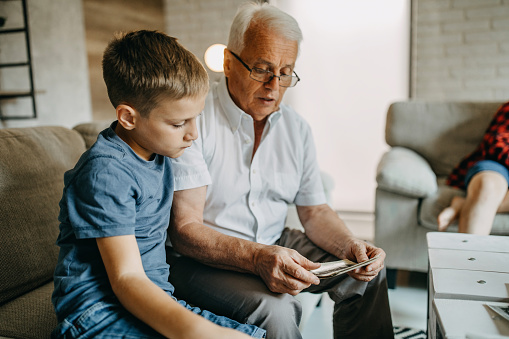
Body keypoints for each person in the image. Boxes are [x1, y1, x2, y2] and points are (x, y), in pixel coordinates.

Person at [167, 3, 394, 338]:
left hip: (274, 240)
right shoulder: (195, 120)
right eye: (262, 69)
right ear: (229, 63)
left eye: (286, 72)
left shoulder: (296, 128)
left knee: (366, 271)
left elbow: (314, 211)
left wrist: (349, 244)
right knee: (277, 309)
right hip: (204, 260)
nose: (274, 86)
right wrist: (258, 256)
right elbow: (185, 229)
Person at [51, 30, 265, 339]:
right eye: (179, 124)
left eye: (196, 119)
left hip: (153, 300)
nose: (193, 134)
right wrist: (195, 331)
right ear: (128, 117)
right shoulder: (106, 172)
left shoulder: (161, 149)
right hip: (96, 313)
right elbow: (126, 278)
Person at [438, 101, 509, 235]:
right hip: (498, 163)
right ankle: (468, 256)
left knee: (482, 197)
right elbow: (495, 142)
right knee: (486, 186)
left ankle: (465, 204)